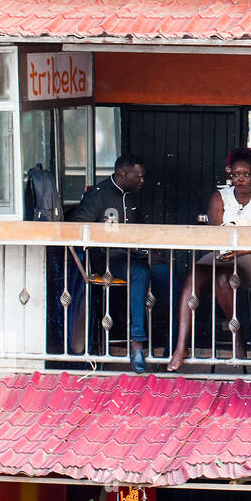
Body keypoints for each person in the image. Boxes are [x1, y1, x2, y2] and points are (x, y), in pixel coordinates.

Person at [167, 148, 251, 372]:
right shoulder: (219, 197)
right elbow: (216, 233)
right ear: (230, 174)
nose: (240, 179)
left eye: (246, 174)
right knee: (193, 277)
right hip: (224, 253)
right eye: (236, 174)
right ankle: (181, 346)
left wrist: (242, 247)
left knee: (224, 280)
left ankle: (238, 339)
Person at [68, 153, 174, 373]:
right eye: (138, 177)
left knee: (172, 282)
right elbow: (77, 226)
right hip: (108, 260)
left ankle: (172, 349)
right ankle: (137, 345)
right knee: (140, 272)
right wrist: (100, 229)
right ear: (122, 174)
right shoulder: (98, 195)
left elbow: (140, 227)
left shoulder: (132, 194)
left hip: (136, 255)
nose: (142, 181)